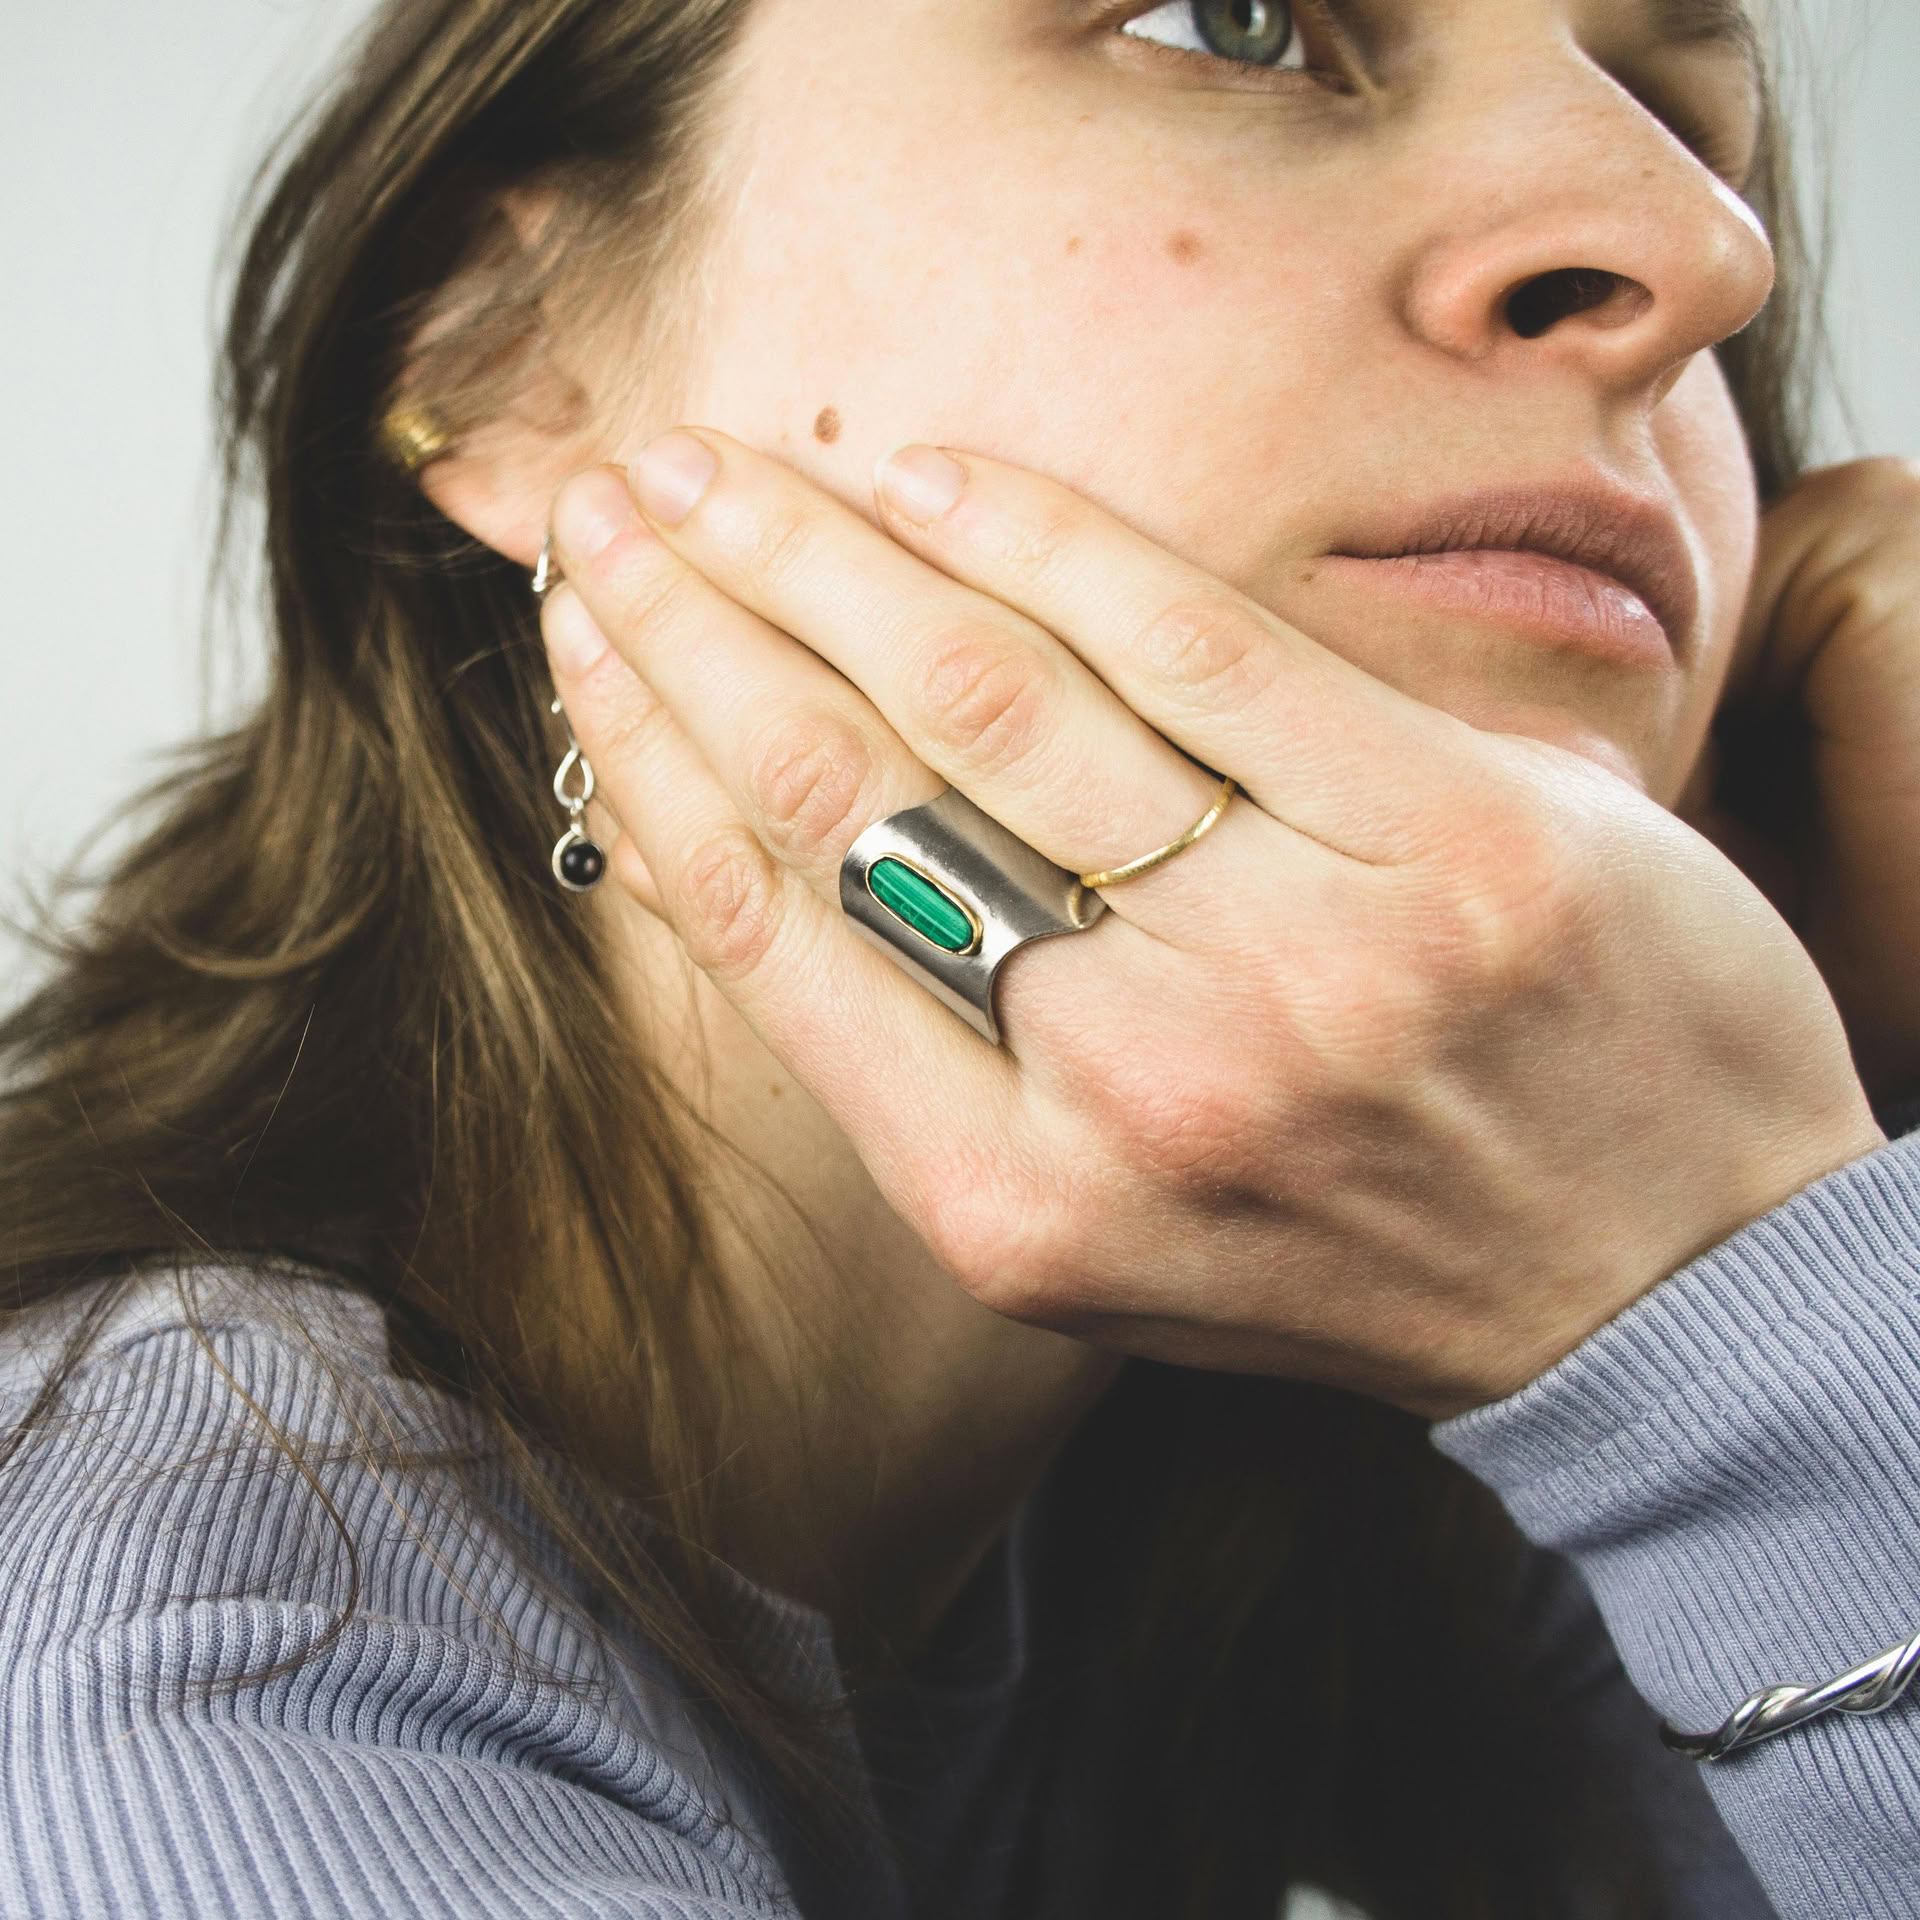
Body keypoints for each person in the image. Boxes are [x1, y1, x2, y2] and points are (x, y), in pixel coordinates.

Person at [2, 0, 1918, 1914]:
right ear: (512, 351)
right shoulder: (181, 1673)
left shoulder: (1334, 1464)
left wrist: (1833, 1154)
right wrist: (1744, 1340)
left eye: (1685, 121)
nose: (1695, 249)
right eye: (1237, 24)